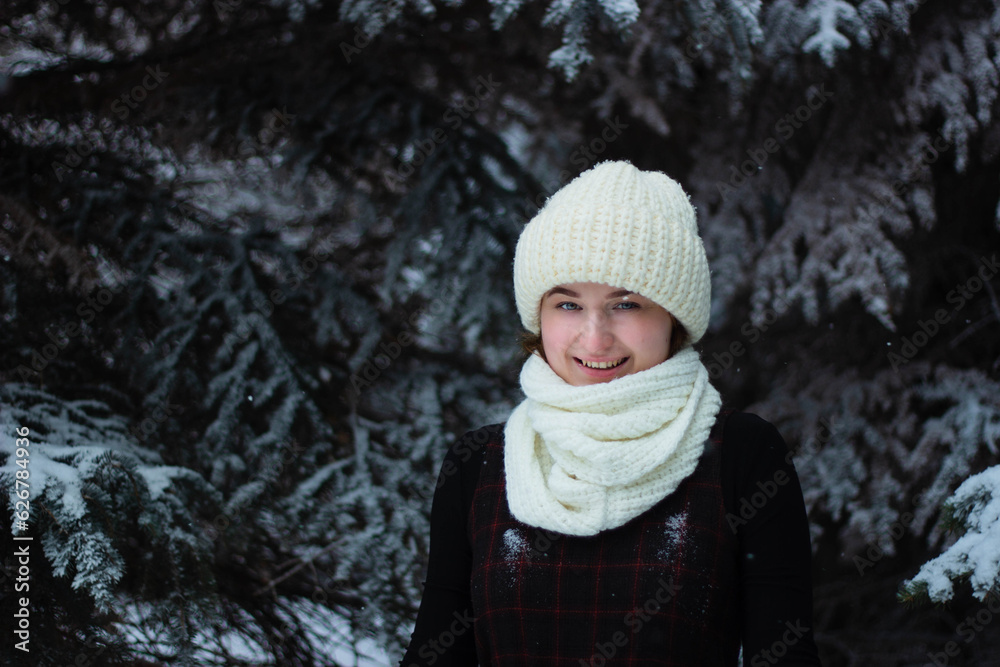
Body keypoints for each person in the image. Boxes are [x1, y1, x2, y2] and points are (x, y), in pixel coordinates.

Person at [400, 161, 822, 666]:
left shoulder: (741, 455)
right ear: (538, 316)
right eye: (568, 305)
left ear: (674, 318)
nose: (595, 337)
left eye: (626, 305)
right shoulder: (478, 465)